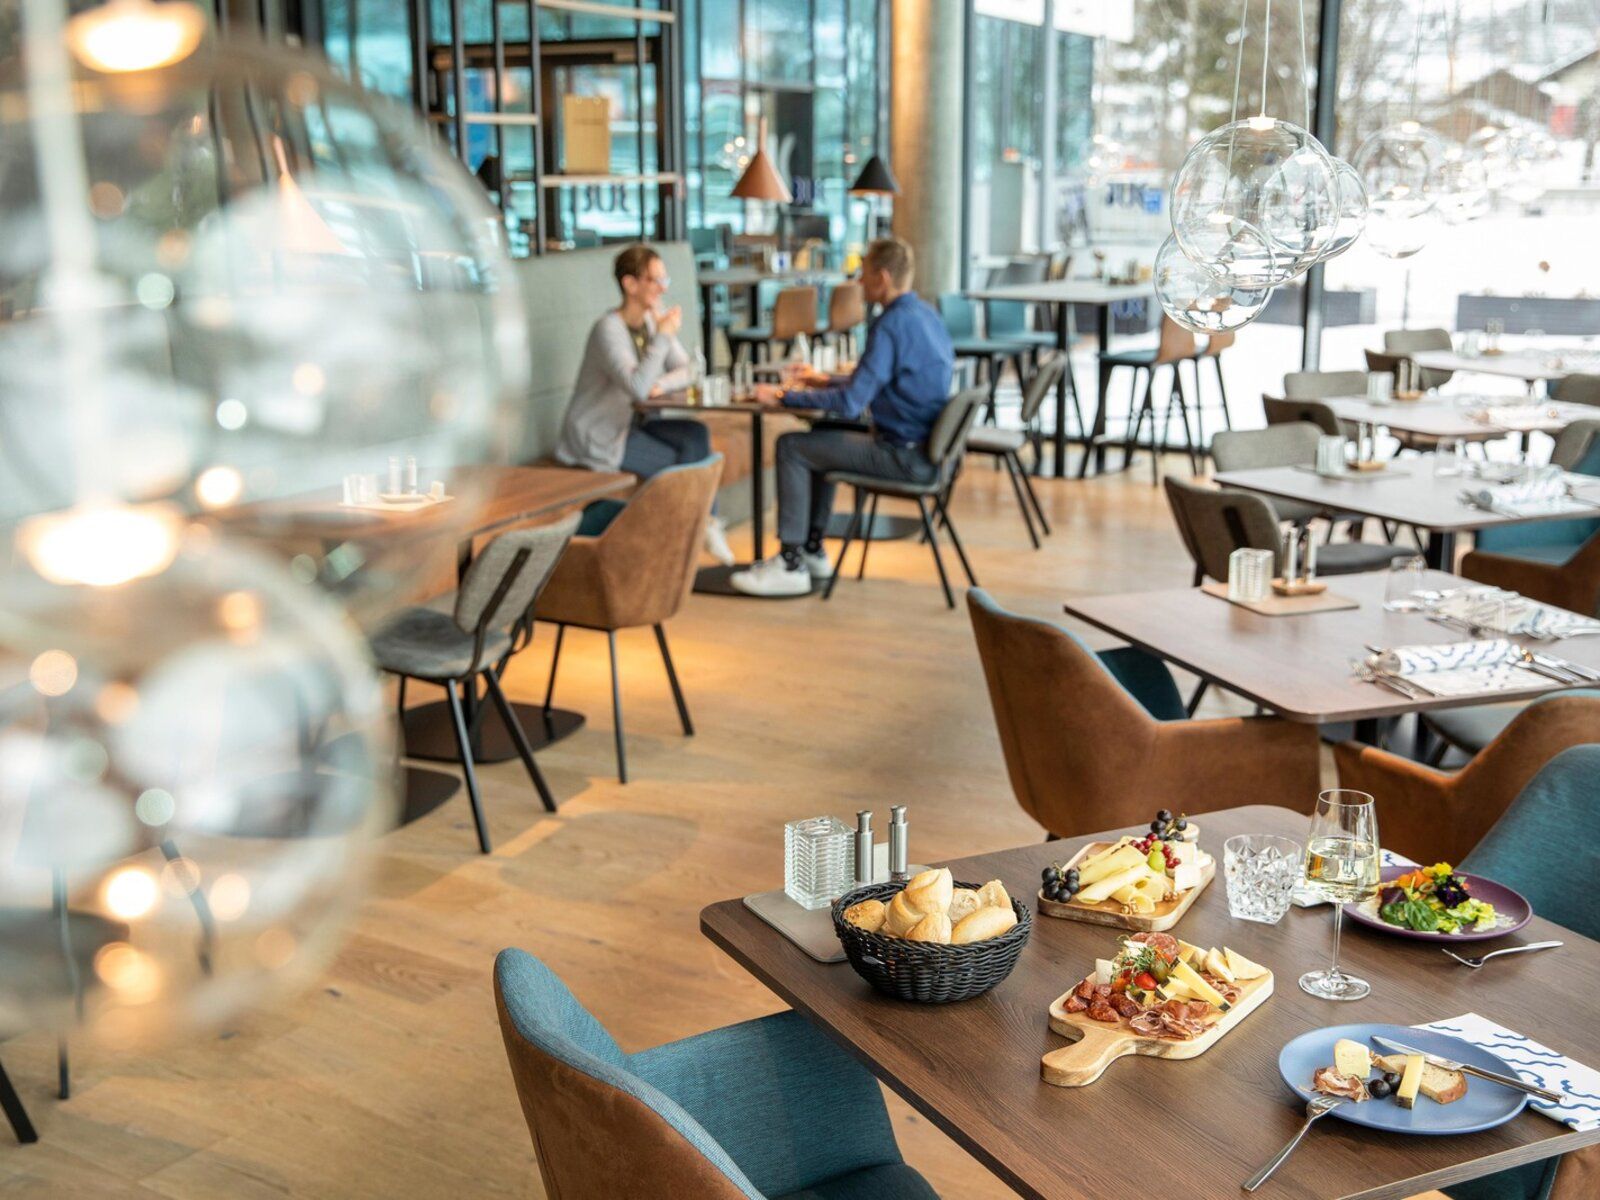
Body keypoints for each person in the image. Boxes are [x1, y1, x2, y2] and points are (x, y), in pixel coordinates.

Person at [729, 237, 954, 597]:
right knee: (823, 430)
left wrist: (782, 395)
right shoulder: (926, 315)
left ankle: (790, 563)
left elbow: (850, 403)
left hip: (901, 456)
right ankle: (812, 549)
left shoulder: (890, 324)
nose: (858, 282)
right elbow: (875, 381)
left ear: (882, 277)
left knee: (791, 446)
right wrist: (822, 380)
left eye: (863, 274)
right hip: (923, 450)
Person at [556, 244, 734, 564]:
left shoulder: (652, 322)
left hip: (637, 426)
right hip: (602, 437)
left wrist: (660, 384)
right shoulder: (608, 329)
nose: (663, 288)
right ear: (630, 284)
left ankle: (703, 526)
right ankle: (691, 535)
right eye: (655, 280)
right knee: (682, 468)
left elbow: (689, 371)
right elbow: (638, 388)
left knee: (695, 435)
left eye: (665, 280)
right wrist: (663, 338)